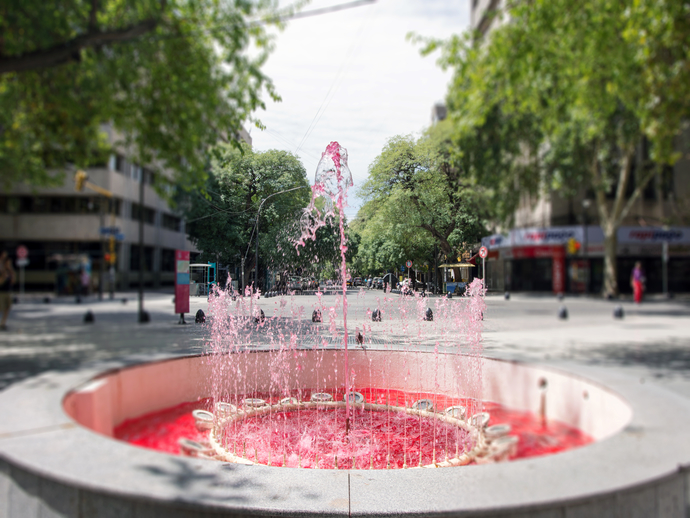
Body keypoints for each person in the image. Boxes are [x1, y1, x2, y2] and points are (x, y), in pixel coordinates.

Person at [0, 250, 16, 331]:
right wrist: (3, 275)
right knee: (1, 308)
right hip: (1, 292)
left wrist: (11, 271)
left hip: (8, 291)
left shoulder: (9, 271)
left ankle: (3, 323)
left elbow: (13, 281)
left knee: (7, 307)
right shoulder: (1, 270)